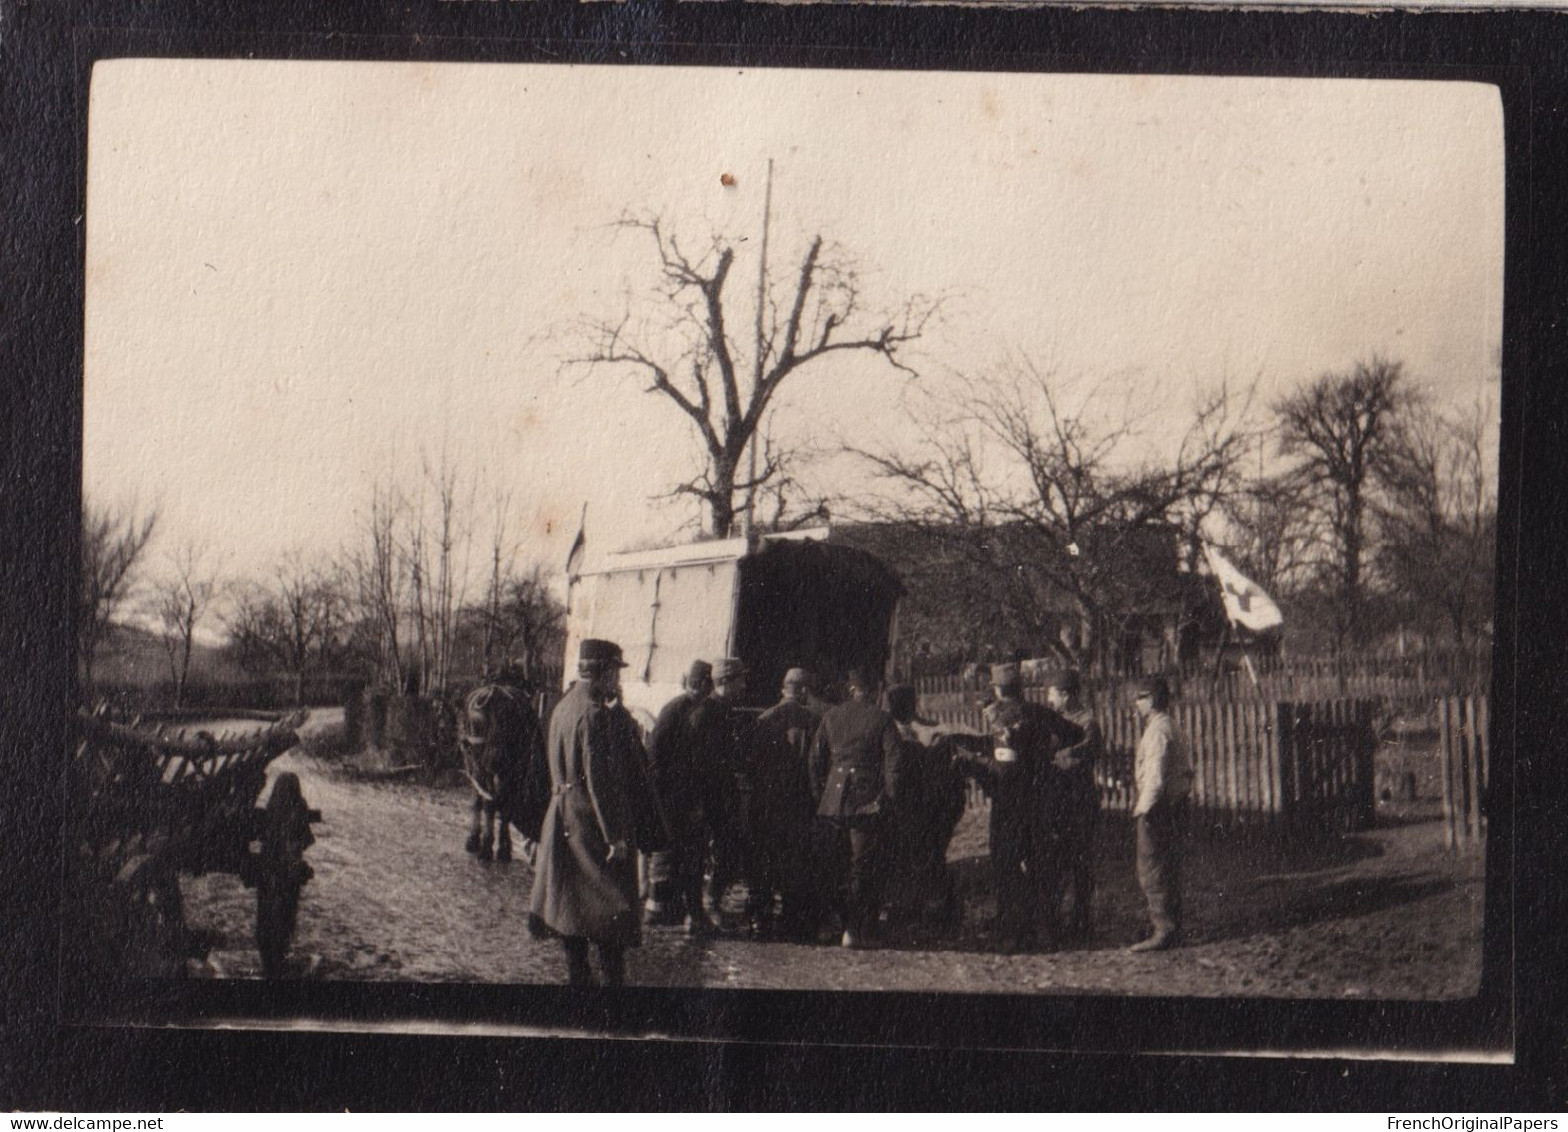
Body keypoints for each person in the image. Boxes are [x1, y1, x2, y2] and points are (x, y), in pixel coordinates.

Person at [527, 638, 667, 986]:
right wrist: (614, 835)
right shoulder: (593, 715)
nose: (617, 682)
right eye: (614, 673)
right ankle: (612, 988)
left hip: (562, 817)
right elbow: (599, 781)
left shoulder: (562, 707)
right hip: (591, 824)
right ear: (602, 673)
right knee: (611, 907)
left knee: (569, 905)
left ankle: (578, 976)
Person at [952, 662, 1082, 952]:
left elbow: (1004, 770)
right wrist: (1047, 755)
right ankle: (1046, 929)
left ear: (997, 690)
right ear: (1020, 687)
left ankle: (1012, 932)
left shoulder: (1005, 720)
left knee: (1006, 864)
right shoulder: (1042, 713)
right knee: (1040, 862)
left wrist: (973, 762)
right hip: (1041, 802)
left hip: (1010, 805)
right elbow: (1075, 733)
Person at [810, 668, 903, 949]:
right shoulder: (883, 720)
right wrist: (889, 800)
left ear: (852, 691)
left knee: (832, 865)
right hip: (866, 804)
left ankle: (829, 925)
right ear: (870, 691)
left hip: (833, 802)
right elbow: (894, 766)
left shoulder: (830, 717)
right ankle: (853, 930)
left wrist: (821, 798)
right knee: (861, 868)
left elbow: (815, 762)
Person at [748, 667, 824, 940]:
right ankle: (791, 921)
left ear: (784, 689)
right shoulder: (814, 721)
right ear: (803, 691)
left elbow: (752, 765)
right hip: (799, 804)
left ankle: (760, 920)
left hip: (766, 804)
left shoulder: (763, 719)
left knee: (763, 861)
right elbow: (818, 766)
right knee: (795, 863)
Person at [882, 684, 966, 931]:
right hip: (932, 808)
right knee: (930, 859)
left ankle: (918, 912)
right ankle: (933, 912)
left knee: (910, 860)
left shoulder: (892, 733)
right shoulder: (935, 730)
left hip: (915, 807)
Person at [645, 659, 716, 933]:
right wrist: (660, 794)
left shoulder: (705, 711)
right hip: (673, 797)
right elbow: (654, 754)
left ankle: (682, 911)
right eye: (703, 684)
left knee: (691, 856)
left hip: (692, 796)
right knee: (668, 853)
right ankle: (657, 908)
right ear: (696, 684)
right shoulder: (674, 710)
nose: (706, 689)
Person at [1129, 675, 1193, 953]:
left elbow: (1155, 778)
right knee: (1167, 866)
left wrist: (1142, 810)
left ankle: (1164, 930)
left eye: (1140, 698)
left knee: (1152, 868)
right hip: (1172, 805)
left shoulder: (1157, 731)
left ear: (1152, 700)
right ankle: (1170, 926)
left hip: (1158, 809)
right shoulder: (1166, 725)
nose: (1136, 704)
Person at [691, 656, 753, 926]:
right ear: (725, 681)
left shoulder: (725, 711)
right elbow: (693, 761)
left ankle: (709, 904)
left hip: (721, 796)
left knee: (729, 850)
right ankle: (701, 909)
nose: (744, 686)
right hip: (704, 797)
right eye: (740, 680)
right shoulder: (705, 713)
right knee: (703, 855)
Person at [1045, 669, 1104, 942]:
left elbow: (1089, 752)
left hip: (1079, 800)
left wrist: (1061, 755)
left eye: (1053, 695)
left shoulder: (1087, 721)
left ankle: (1081, 916)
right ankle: (1054, 915)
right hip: (1057, 800)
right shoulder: (1054, 720)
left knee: (1080, 860)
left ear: (1066, 695)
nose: (1049, 700)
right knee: (1055, 859)